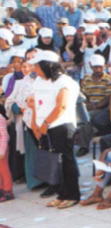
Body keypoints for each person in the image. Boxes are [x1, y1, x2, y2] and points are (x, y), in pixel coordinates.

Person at [29, 51, 79, 208]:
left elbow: (61, 106)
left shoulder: (64, 82)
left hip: (61, 126)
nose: (35, 69)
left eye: (37, 66)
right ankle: (61, 193)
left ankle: (72, 195)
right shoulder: (38, 80)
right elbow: (36, 102)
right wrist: (35, 124)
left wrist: (45, 123)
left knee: (65, 161)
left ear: (47, 65)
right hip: (44, 127)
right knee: (52, 163)